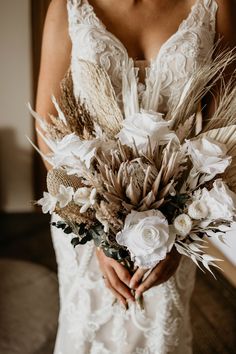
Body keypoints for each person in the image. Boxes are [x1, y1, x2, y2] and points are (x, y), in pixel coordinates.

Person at [35, 0, 236, 353]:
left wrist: (177, 235)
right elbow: (47, 126)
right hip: (83, 208)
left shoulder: (215, 4)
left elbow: (227, 126)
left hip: (176, 218)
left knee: (162, 334)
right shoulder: (68, 6)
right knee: (85, 329)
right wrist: (96, 231)